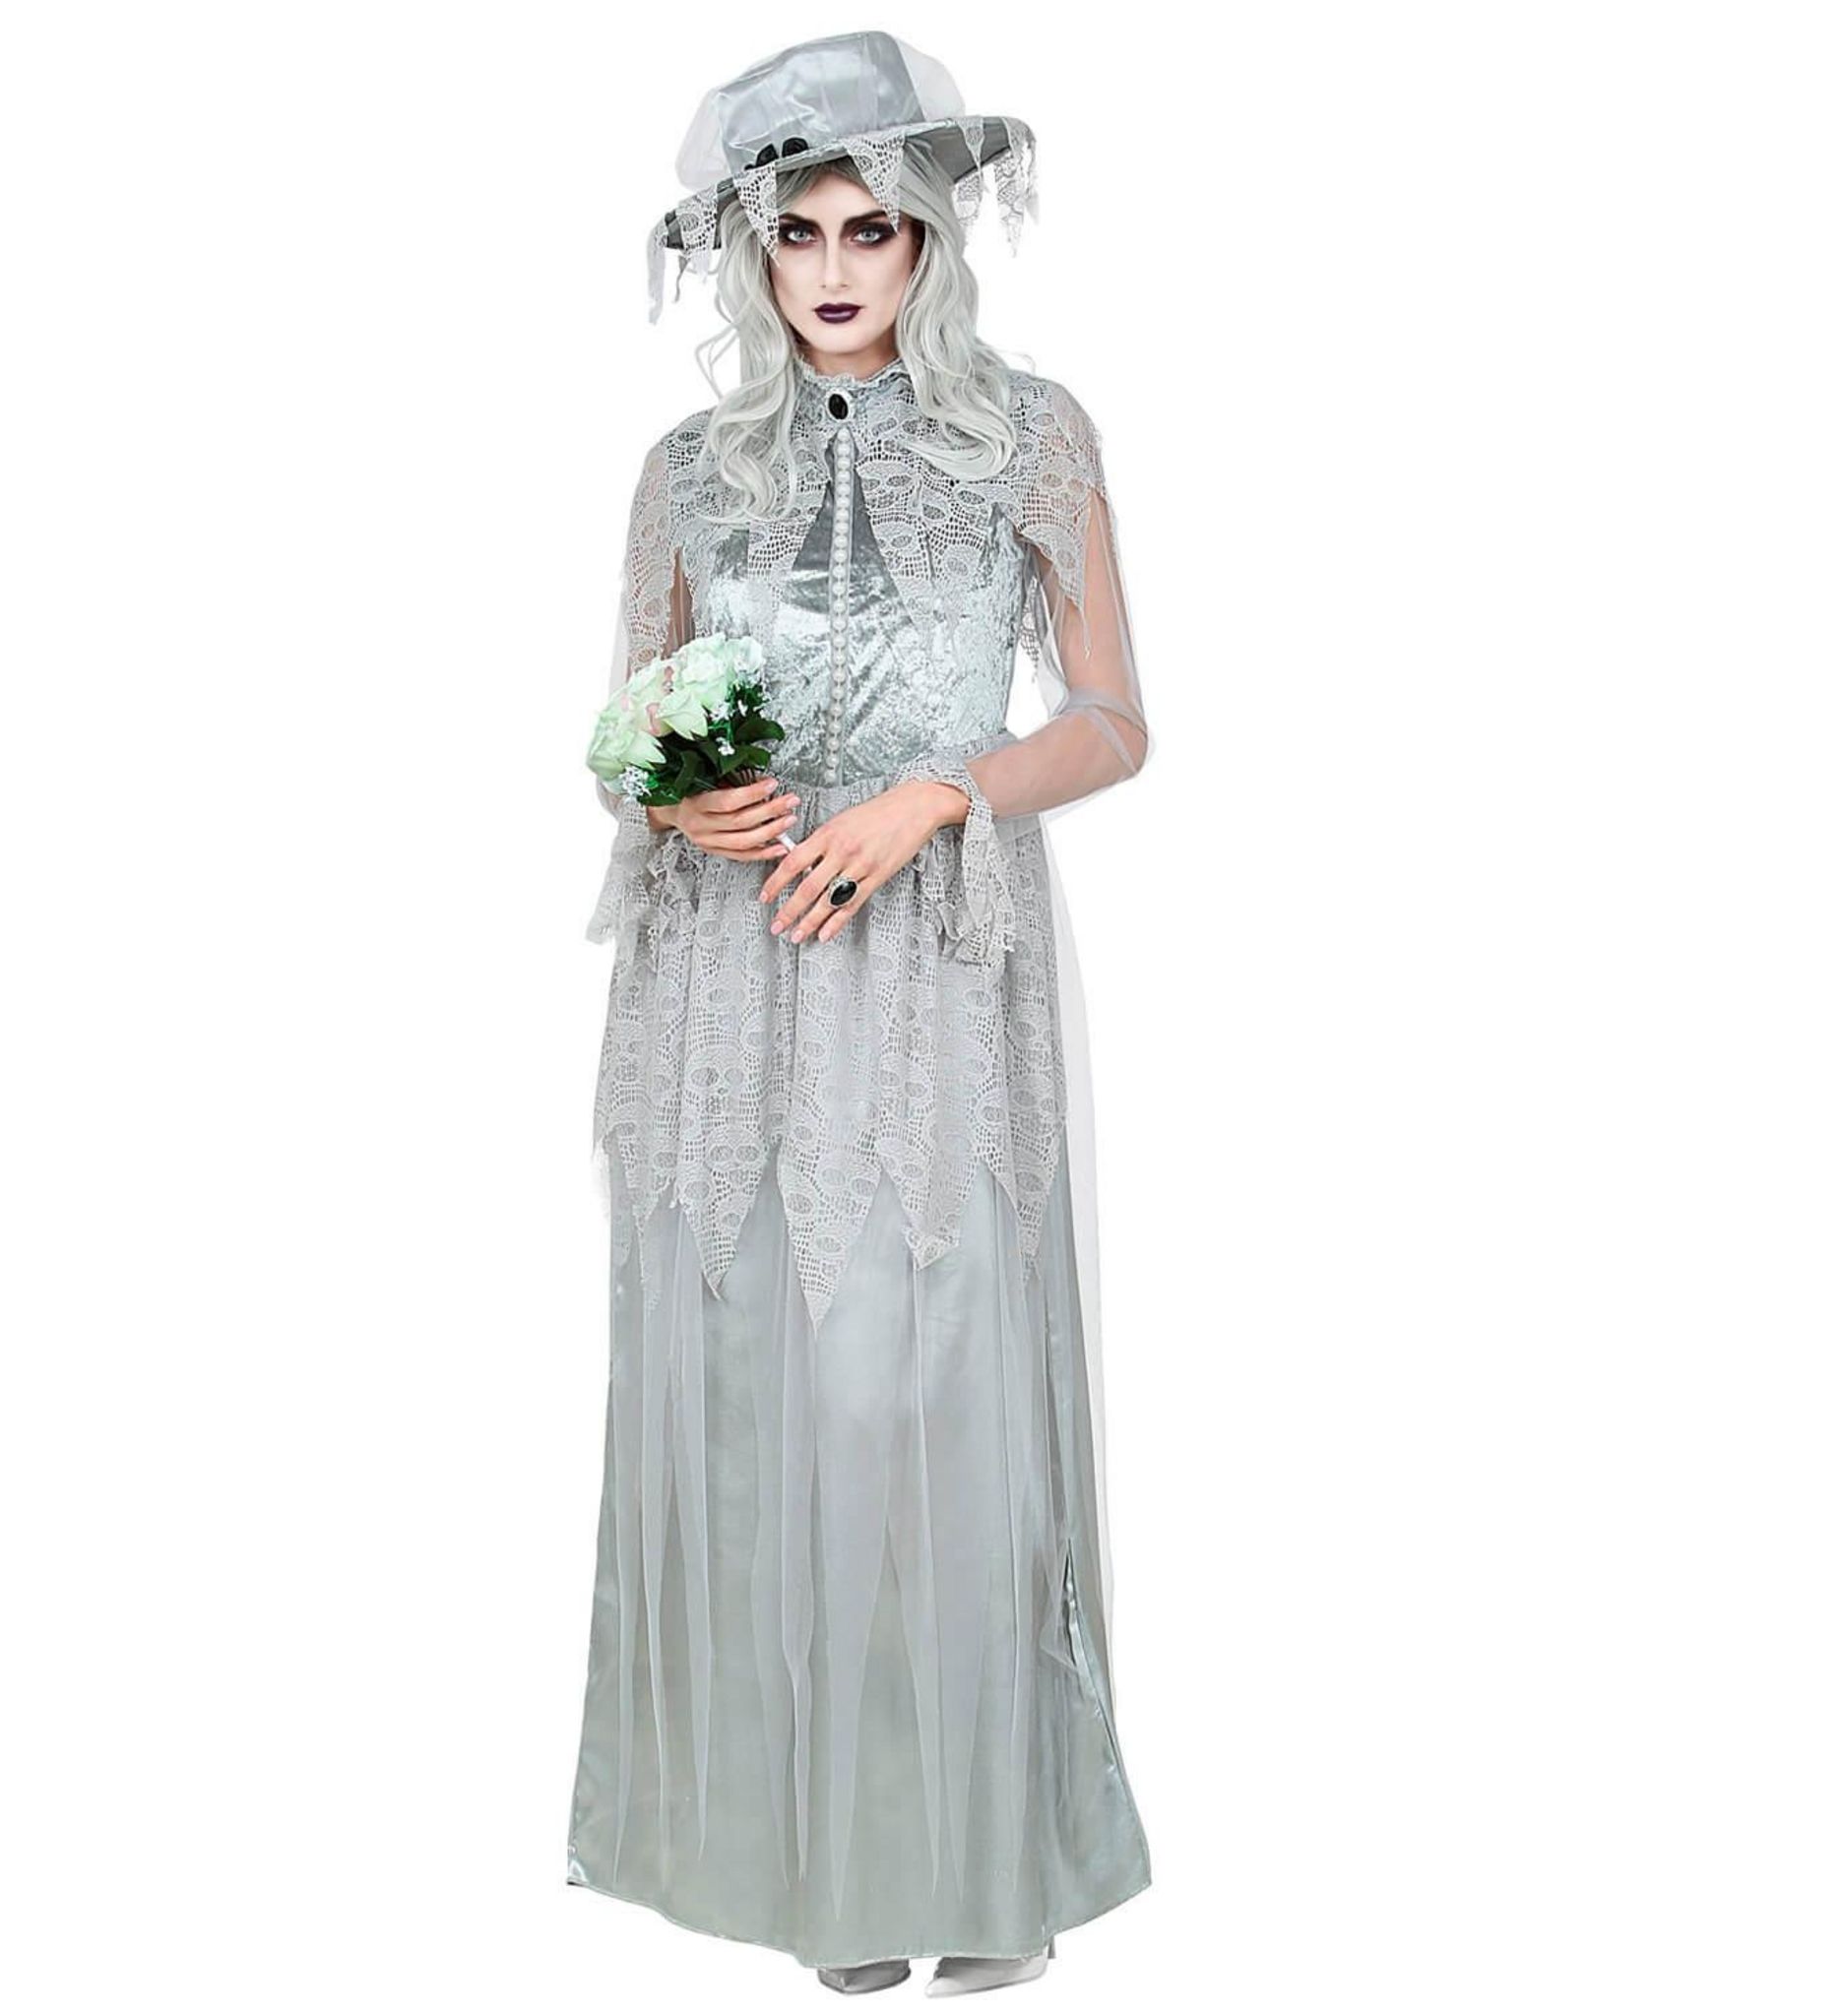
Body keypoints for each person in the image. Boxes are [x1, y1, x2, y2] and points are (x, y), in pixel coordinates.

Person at [567, 32, 1153, 1995]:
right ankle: (819, 1868)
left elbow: (1112, 721)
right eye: (798, 232)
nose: (833, 268)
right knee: (763, 1400)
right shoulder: (685, 473)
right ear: (752, 253)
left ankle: (965, 1858)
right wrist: (671, 795)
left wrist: (938, 794)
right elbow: (628, 729)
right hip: (728, 980)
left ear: (928, 243)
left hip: (935, 975)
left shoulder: (1031, 438)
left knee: (929, 1397)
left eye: (871, 230)